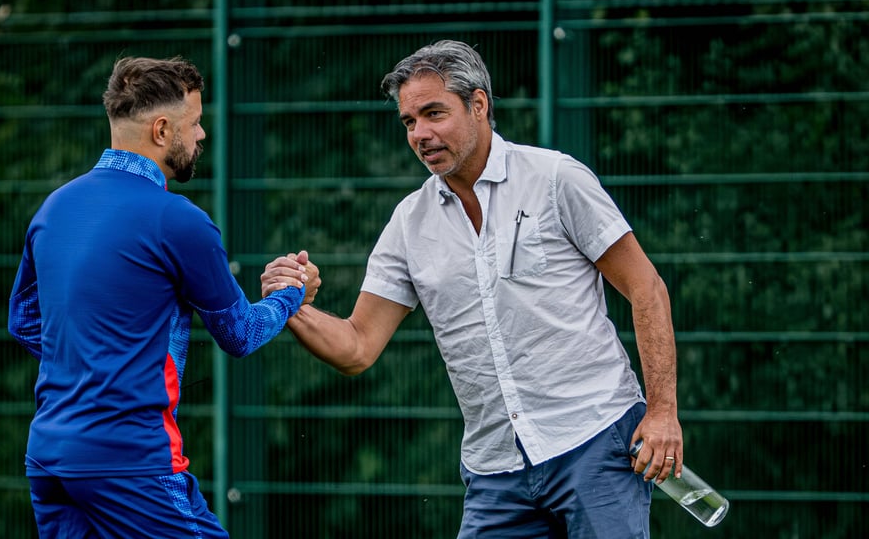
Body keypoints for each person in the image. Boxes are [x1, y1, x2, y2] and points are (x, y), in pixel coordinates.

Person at [266, 40, 683, 538]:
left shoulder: (555, 178)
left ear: (479, 104)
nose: (420, 133)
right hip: (494, 472)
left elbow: (647, 289)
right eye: (409, 122)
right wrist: (289, 305)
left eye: (433, 113)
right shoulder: (408, 222)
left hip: (594, 441)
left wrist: (661, 412)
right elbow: (357, 346)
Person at [8, 56, 313, 539]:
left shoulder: (54, 208)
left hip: (49, 459)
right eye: (195, 123)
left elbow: (24, 323)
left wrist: (97, 363)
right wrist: (290, 292)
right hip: (131, 462)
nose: (202, 136)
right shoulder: (178, 219)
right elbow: (240, 334)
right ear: (162, 128)